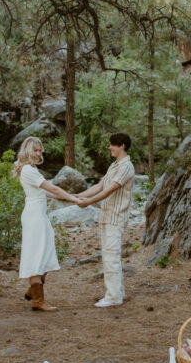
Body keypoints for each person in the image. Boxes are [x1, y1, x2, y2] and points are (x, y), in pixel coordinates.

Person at [14, 136, 81, 312]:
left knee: (46, 253)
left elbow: (47, 193)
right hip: (34, 216)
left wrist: (72, 199)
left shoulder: (32, 170)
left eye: (40, 151)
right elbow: (52, 188)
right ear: (28, 150)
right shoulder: (28, 170)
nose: (38, 154)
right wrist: (71, 197)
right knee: (37, 255)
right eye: (35, 150)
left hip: (39, 215)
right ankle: (38, 300)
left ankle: (32, 290)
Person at [77, 132, 135, 308]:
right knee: (108, 256)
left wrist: (89, 202)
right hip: (106, 217)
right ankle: (118, 292)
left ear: (122, 145)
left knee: (111, 257)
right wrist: (77, 196)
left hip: (115, 218)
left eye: (112, 145)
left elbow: (110, 189)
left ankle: (113, 297)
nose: (110, 147)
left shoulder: (126, 167)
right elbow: (99, 186)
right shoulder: (114, 165)